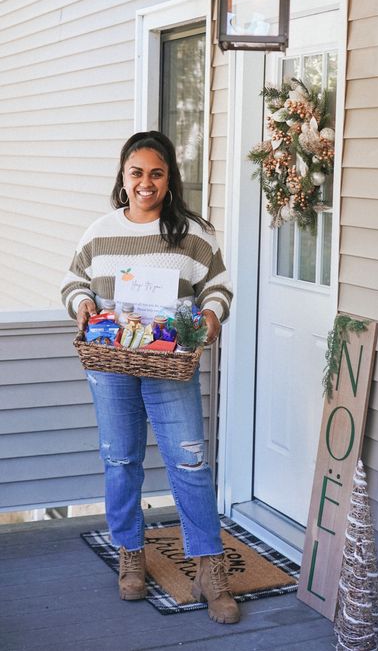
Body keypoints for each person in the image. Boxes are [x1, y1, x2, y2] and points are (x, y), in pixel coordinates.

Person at [61, 131, 238, 624]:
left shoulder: (193, 235)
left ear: (169, 179)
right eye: (136, 172)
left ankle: (208, 566)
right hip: (110, 363)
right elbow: (74, 281)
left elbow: (218, 288)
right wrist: (83, 304)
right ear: (123, 176)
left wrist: (209, 317)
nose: (146, 182)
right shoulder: (98, 232)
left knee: (190, 462)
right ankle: (130, 553)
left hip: (169, 361)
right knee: (120, 459)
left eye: (156, 173)